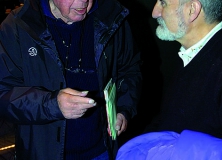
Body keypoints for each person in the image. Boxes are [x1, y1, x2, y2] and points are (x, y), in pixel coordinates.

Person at [0, 0, 142, 159]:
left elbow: (130, 69)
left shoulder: (110, 17)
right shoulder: (17, 25)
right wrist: (52, 105)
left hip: (101, 150)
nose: (83, 2)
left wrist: (123, 109)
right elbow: (3, 93)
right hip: (42, 154)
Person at [142, 0, 222, 159]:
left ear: (192, 10)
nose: (155, 12)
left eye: (163, 3)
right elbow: (170, 120)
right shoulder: (190, 54)